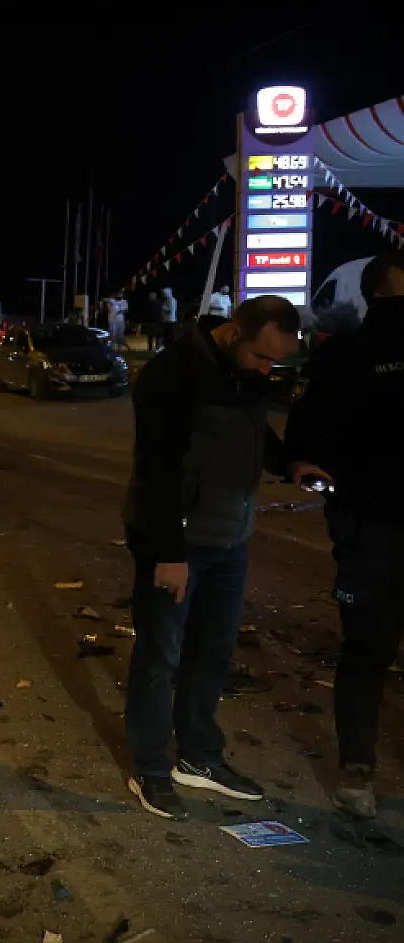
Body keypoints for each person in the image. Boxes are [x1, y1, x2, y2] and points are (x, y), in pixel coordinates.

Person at [122, 295, 303, 819]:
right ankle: (151, 769)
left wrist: (290, 463)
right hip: (177, 544)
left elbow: (254, 434)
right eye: (262, 358)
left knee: (213, 652)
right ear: (232, 334)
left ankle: (198, 759)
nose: (268, 371)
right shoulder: (173, 374)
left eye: (277, 362)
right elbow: (157, 470)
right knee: (161, 656)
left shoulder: (248, 373)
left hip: (230, 539)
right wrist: (169, 554)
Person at [285, 251, 404, 818]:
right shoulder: (345, 356)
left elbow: (303, 440)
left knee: (365, 654)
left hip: (366, 530)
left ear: (370, 291)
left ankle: (357, 774)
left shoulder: (341, 357)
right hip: (367, 528)